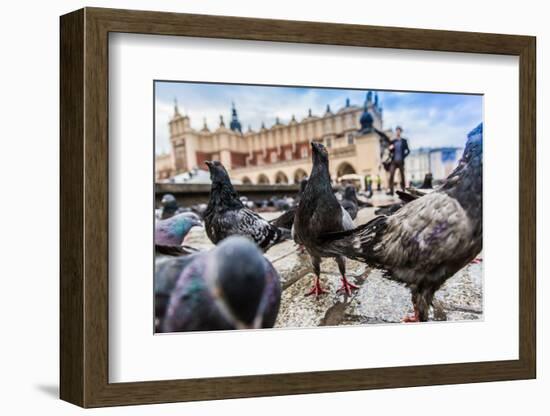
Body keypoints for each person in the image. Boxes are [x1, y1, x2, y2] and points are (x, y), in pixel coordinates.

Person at [386, 126, 410, 195]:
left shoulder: (404, 141)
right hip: (394, 161)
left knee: (402, 176)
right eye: (396, 131)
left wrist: (403, 156)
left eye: (399, 131)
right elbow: (390, 150)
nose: (397, 132)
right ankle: (391, 191)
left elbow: (408, 151)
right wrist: (390, 149)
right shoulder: (393, 141)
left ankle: (403, 189)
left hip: (401, 161)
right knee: (391, 175)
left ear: (400, 132)